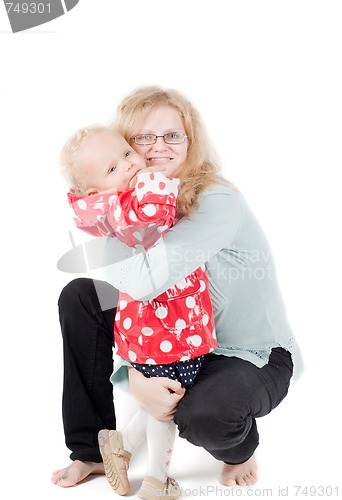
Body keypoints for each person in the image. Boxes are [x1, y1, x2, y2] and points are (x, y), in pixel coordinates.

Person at [53, 85, 303, 492]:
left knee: (204, 414)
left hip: (245, 353)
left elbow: (143, 282)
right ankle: (91, 451)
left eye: (173, 135)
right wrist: (135, 375)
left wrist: (132, 374)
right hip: (178, 333)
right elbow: (128, 282)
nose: (158, 148)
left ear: (191, 141)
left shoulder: (216, 201)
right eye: (142, 138)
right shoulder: (135, 204)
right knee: (81, 296)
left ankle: (240, 448)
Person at [58, 125, 217, 497]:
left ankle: (119, 447)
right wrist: (152, 176)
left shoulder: (107, 205)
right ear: (98, 190)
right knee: (169, 395)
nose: (130, 167)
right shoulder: (138, 202)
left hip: (148, 319)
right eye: (113, 169)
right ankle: (155, 481)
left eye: (128, 155)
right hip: (167, 321)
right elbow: (154, 212)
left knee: (167, 392)